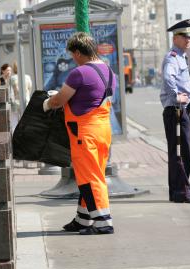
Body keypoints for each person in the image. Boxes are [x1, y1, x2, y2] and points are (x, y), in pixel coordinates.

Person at [43, 32, 115, 235]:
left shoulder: (80, 73)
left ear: (77, 52)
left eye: (73, 54)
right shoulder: (109, 72)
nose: (73, 58)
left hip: (85, 132)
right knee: (94, 172)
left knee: (88, 178)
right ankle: (83, 219)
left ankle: (102, 221)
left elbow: (59, 100)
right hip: (103, 131)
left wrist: (47, 103)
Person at [160, 19, 190, 204]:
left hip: (182, 111)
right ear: (175, 37)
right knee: (181, 153)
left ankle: (177, 193)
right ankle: (183, 193)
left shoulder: (180, 57)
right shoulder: (172, 57)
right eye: (185, 36)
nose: (189, 39)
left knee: (179, 153)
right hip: (176, 111)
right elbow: (168, 77)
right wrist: (177, 96)